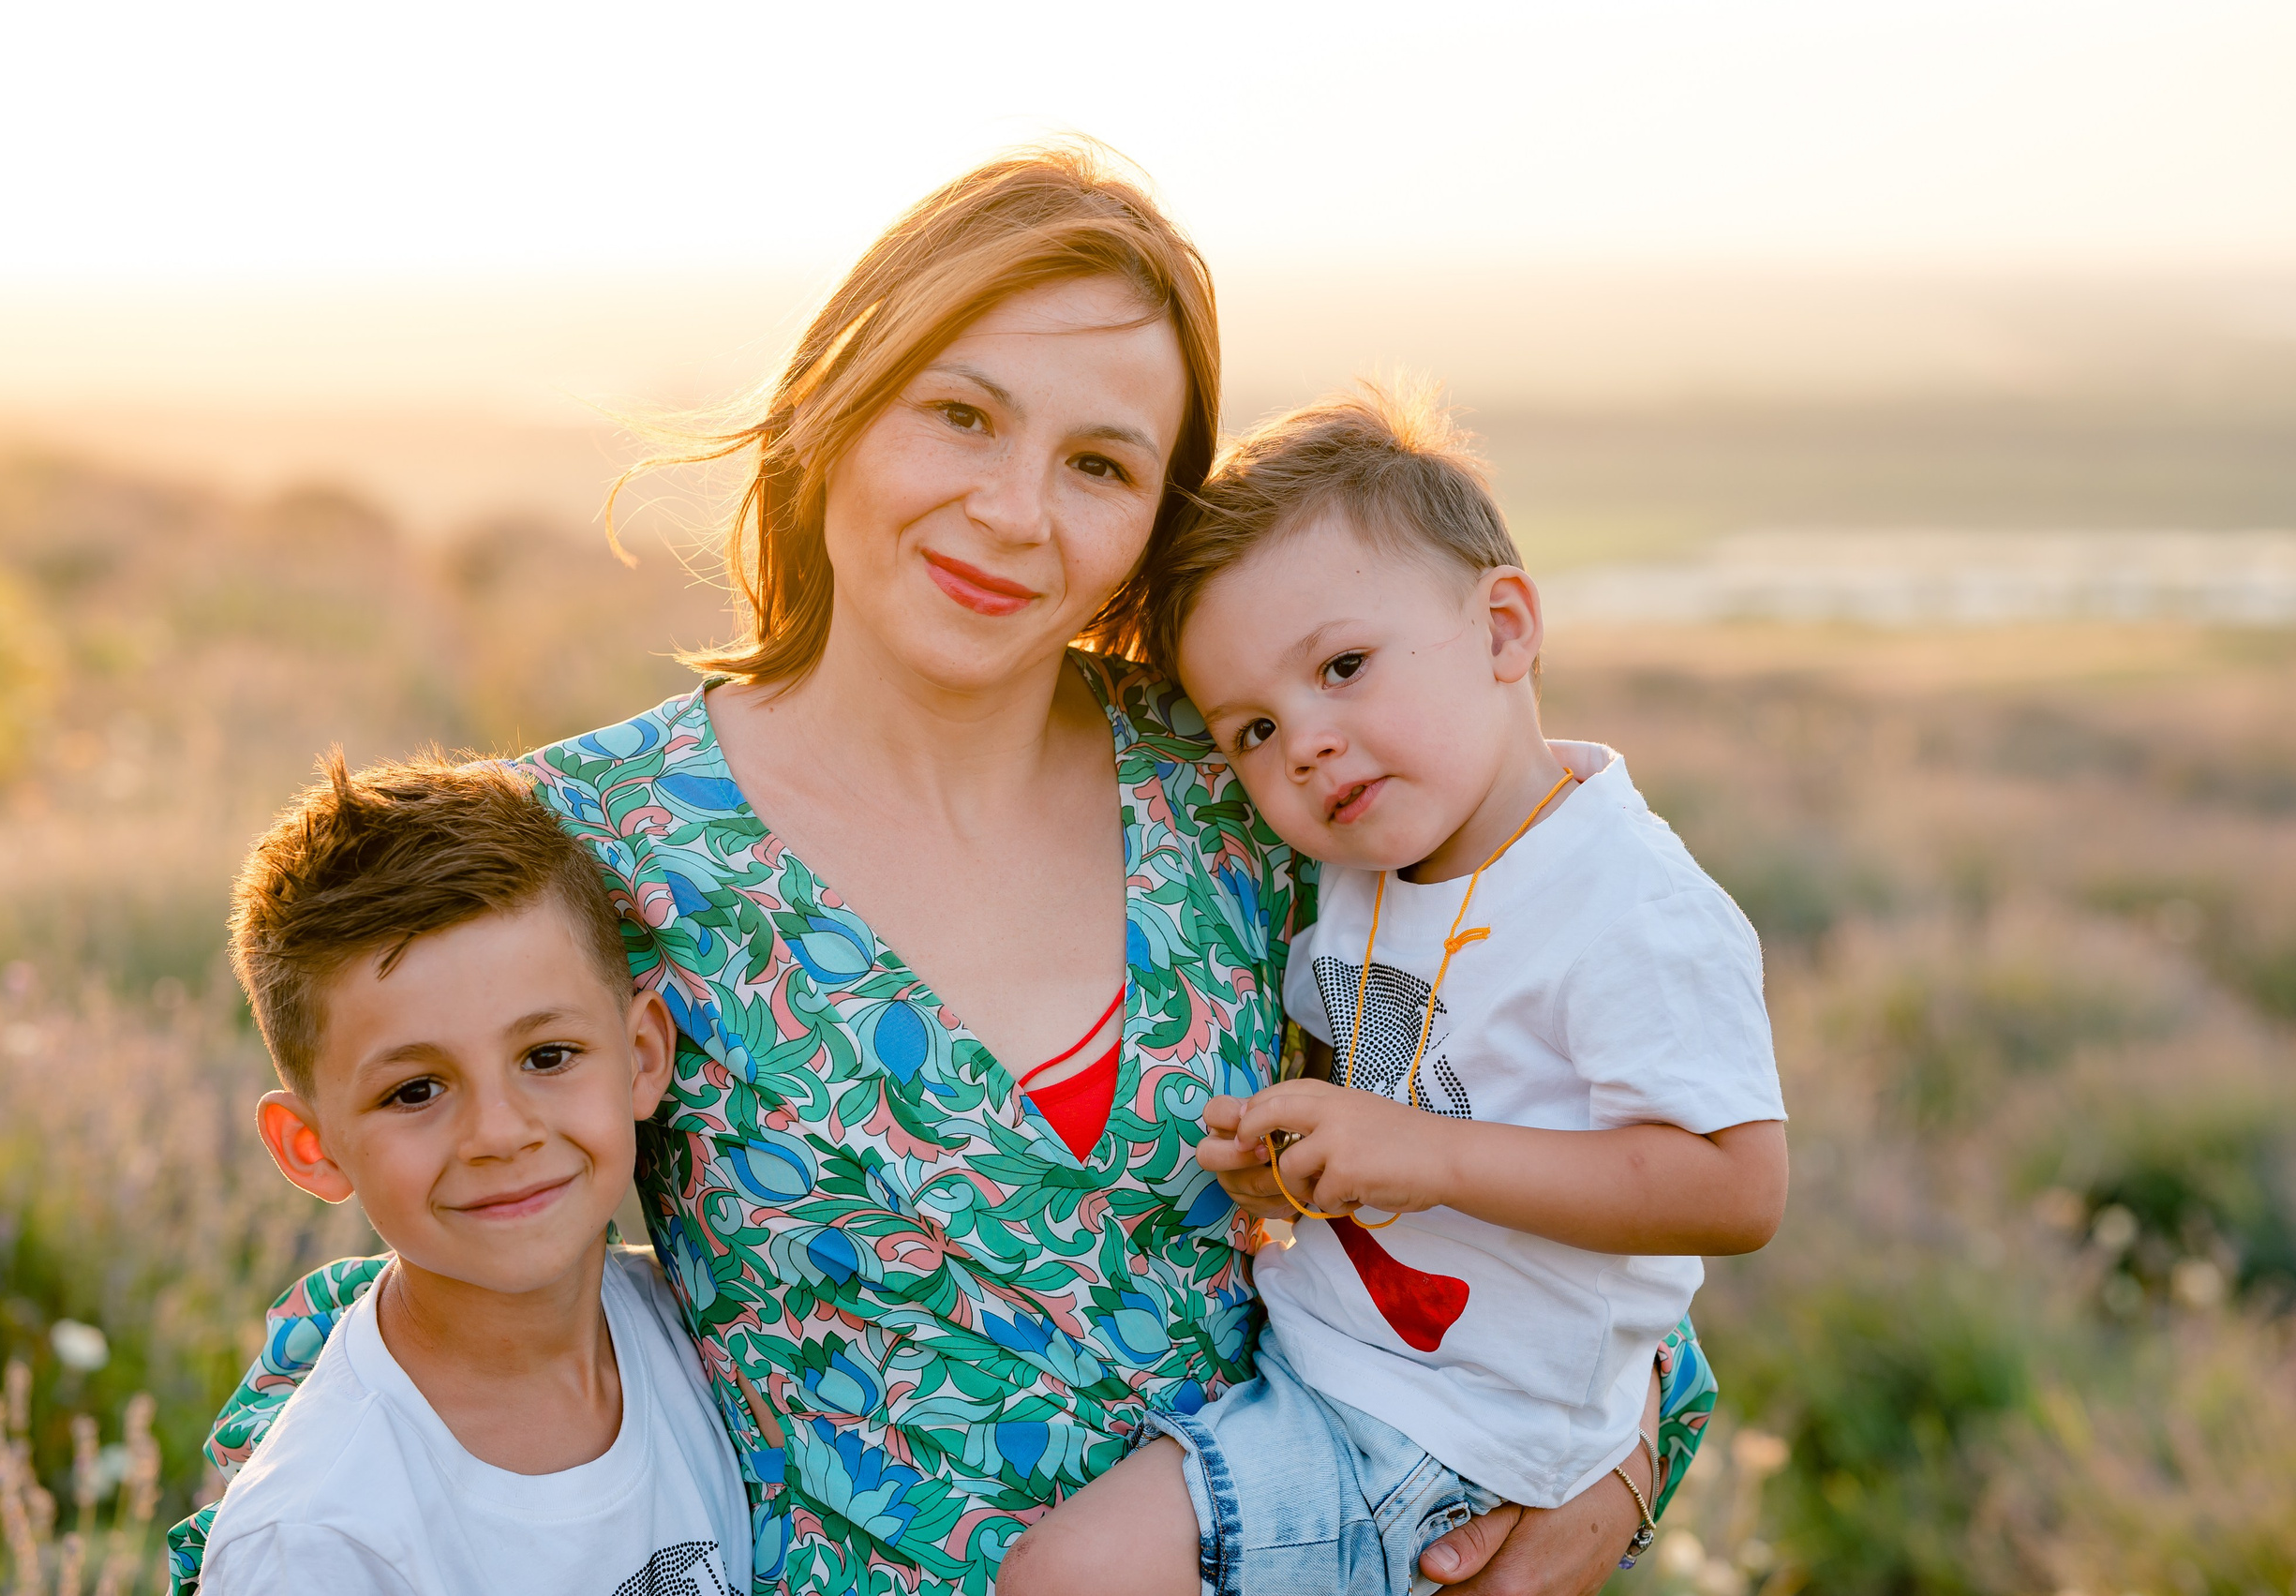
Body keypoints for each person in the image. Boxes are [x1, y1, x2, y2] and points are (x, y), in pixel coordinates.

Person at [166, 146, 1721, 1596]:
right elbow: (429, 1290)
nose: (1012, 511)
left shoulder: (1245, 779)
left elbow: (1567, 1076)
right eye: (962, 416)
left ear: (1149, 532)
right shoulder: (602, 836)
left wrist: (1628, 1448)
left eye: (1101, 464)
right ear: (840, 399)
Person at [999, 384, 1787, 1596]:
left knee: (1071, 1573)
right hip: (1341, 1366)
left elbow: (1736, 1184)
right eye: (1252, 727)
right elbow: (1385, 1088)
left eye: (1345, 665)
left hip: (1453, 1432)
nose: (1305, 741)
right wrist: (1302, 1157)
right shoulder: (1372, 859)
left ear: (1504, 627)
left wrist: (1423, 1152)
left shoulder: (1631, 906)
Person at [198, 754, 750, 1596]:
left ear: (642, 1057)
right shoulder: (316, 1542)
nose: (498, 1133)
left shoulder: (706, 1332)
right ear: (312, 1147)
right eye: (415, 1089)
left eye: (547, 1054)